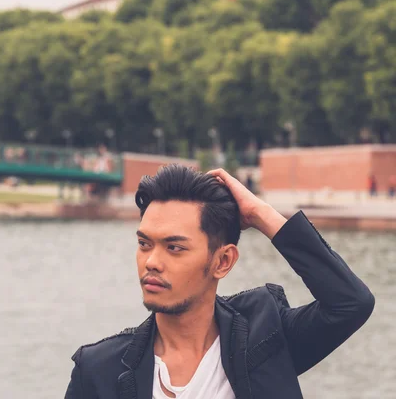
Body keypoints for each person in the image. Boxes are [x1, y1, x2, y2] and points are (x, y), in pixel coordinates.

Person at [65, 164, 375, 399]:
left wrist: (260, 214)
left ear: (222, 261)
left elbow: (350, 303)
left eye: (174, 247)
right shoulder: (99, 370)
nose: (152, 262)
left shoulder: (266, 335)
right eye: (145, 244)